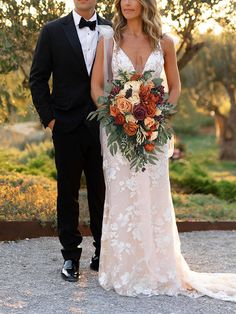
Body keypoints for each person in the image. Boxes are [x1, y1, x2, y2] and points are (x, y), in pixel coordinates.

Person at [91, 0, 236, 301]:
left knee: (154, 198)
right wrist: (117, 116)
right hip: (119, 133)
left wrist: (160, 114)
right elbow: (96, 88)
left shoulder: (165, 42)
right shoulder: (109, 41)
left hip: (154, 133)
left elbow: (176, 86)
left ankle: (158, 268)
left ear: (146, 3)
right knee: (121, 198)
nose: (127, 2)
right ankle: (123, 270)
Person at [29, 0, 112, 282]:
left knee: (103, 192)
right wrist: (51, 120)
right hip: (65, 127)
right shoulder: (52, 31)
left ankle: (103, 253)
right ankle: (70, 256)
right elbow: (38, 79)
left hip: (104, 126)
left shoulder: (113, 29)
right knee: (67, 192)